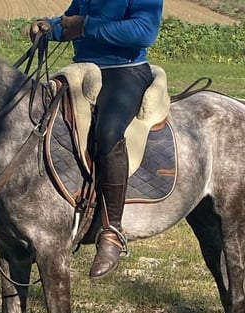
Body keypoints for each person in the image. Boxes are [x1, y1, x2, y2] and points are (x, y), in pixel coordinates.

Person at [30, 1, 164, 279]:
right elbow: (72, 22)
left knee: (108, 133)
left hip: (125, 71)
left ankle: (112, 231)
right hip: (83, 71)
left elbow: (144, 31)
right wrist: (50, 27)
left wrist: (87, 27)